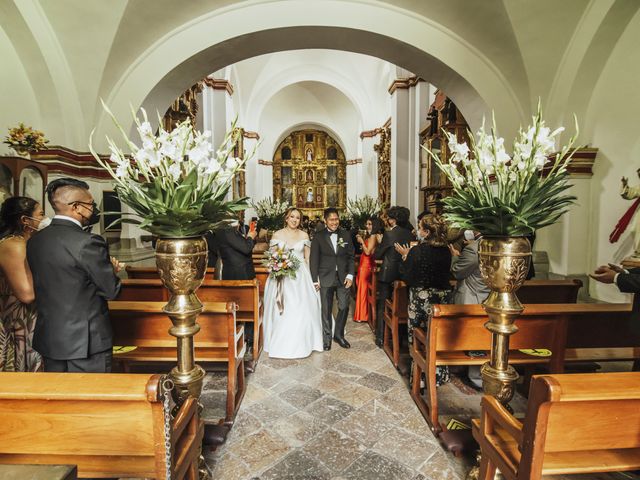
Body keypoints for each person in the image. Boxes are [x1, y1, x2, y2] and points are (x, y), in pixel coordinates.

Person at [27, 178, 122, 373]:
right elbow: (111, 291)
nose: (93, 209)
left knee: (58, 399)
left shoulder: (35, 240)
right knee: (91, 400)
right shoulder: (88, 242)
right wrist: (111, 270)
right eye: (91, 204)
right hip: (86, 343)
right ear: (77, 207)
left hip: (50, 338)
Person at [396, 214, 452, 385]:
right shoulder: (446, 251)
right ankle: (439, 375)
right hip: (441, 298)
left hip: (421, 299)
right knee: (437, 335)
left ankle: (420, 377)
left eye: (420, 227)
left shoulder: (417, 251)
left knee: (417, 336)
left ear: (427, 232)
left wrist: (406, 257)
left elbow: (406, 275)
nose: (417, 230)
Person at [263, 207, 324, 358]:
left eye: (297, 218)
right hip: (281, 276)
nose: (295, 220)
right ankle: (280, 343)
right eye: (292, 217)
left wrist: (314, 278)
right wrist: (277, 268)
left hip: (300, 276)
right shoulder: (277, 234)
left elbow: (308, 259)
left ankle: (303, 342)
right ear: (286, 218)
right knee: (281, 309)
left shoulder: (304, 235)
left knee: (302, 308)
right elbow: (272, 257)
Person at [0, 196, 48, 371]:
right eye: (41, 214)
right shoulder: (14, 244)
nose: (44, 219)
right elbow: (27, 295)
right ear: (25, 220)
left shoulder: (26, 243)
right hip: (19, 322)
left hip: (29, 318)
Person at [310, 207, 355, 350]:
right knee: (326, 309)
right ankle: (327, 338)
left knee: (344, 306)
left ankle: (339, 335)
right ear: (325, 220)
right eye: (331, 219)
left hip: (343, 277)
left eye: (336, 219)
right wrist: (314, 279)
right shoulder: (318, 236)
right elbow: (314, 259)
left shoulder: (345, 234)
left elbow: (351, 256)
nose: (334, 222)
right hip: (325, 277)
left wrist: (350, 275)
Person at [450, 229, 490, 388]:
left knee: (473, 336)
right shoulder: (495, 245)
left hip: (473, 295)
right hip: (487, 294)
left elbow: (458, 272)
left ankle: (476, 377)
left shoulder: (474, 248)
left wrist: (454, 257)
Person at [374, 206, 414, 346]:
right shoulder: (411, 234)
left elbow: (378, 254)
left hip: (388, 273)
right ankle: (402, 337)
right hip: (404, 274)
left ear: (393, 220)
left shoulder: (389, 234)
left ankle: (380, 337)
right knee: (403, 304)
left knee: (382, 304)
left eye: (390, 218)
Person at [353, 217, 384, 323]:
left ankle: (362, 315)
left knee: (363, 288)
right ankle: (363, 314)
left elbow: (368, 252)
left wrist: (362, 241)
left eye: (370, 224)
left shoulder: (373, 236)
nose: (367, 226)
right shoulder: (372, 236)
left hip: (366, 265)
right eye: (367, 224)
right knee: (362, 287)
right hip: (364, 263)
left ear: (375, 225)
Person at [216, 212, 257, 280]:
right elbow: (246, 248)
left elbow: (242, 245)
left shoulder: (227, 231)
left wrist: (249, 237)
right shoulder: (227, 231)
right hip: (238, 273)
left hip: (240, 271)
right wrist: (250, 237)